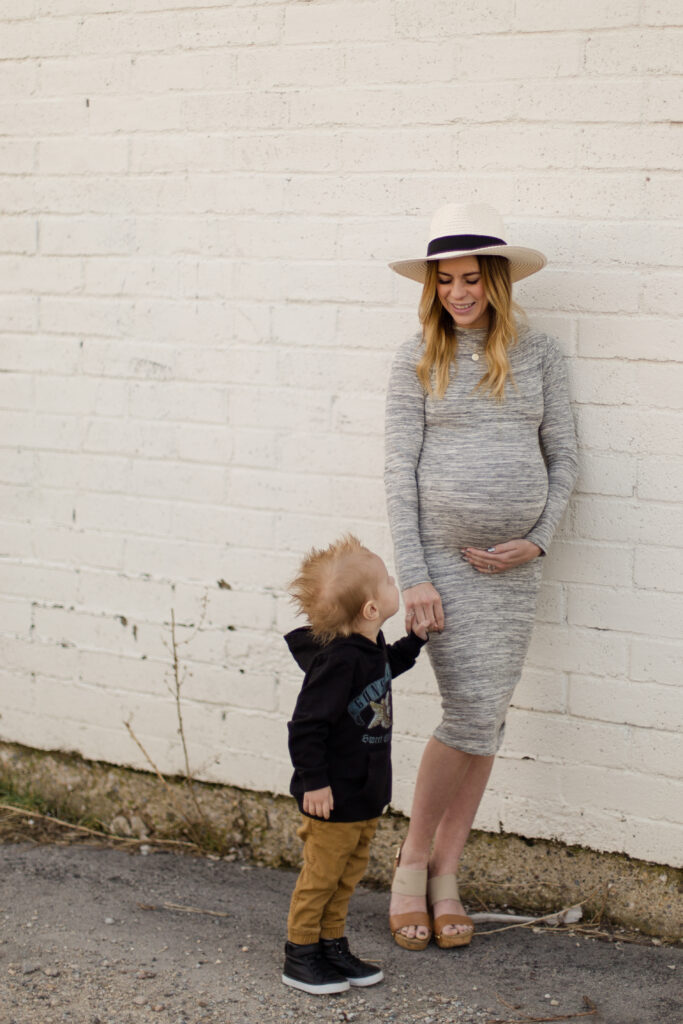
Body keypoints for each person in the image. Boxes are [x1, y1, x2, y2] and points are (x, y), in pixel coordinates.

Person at [384, 202, 578, 951]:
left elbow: (564, 461)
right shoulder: (413, 359)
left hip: (513, 573)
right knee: (467, 713)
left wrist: (535, 540)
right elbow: (399, 476)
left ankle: (446, 873)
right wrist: (414, 579)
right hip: (443, 569)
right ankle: (411, 866)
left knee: (486, 716)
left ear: (494, 282)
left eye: (469, 279)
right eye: (444, 281)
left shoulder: (540, 355)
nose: (457, 293)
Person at [282, 534, 429, 993]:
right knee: (321, 877)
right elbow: (306, 726)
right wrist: (314, 783)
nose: (393, 582)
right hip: (332, 796)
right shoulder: (337, 663)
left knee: (346, 876)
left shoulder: (368, 649)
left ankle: (331, 946)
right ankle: (300, 955)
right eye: (387, 580)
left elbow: (386, 667)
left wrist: (415, 642)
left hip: (364, 793)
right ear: (370, 608)